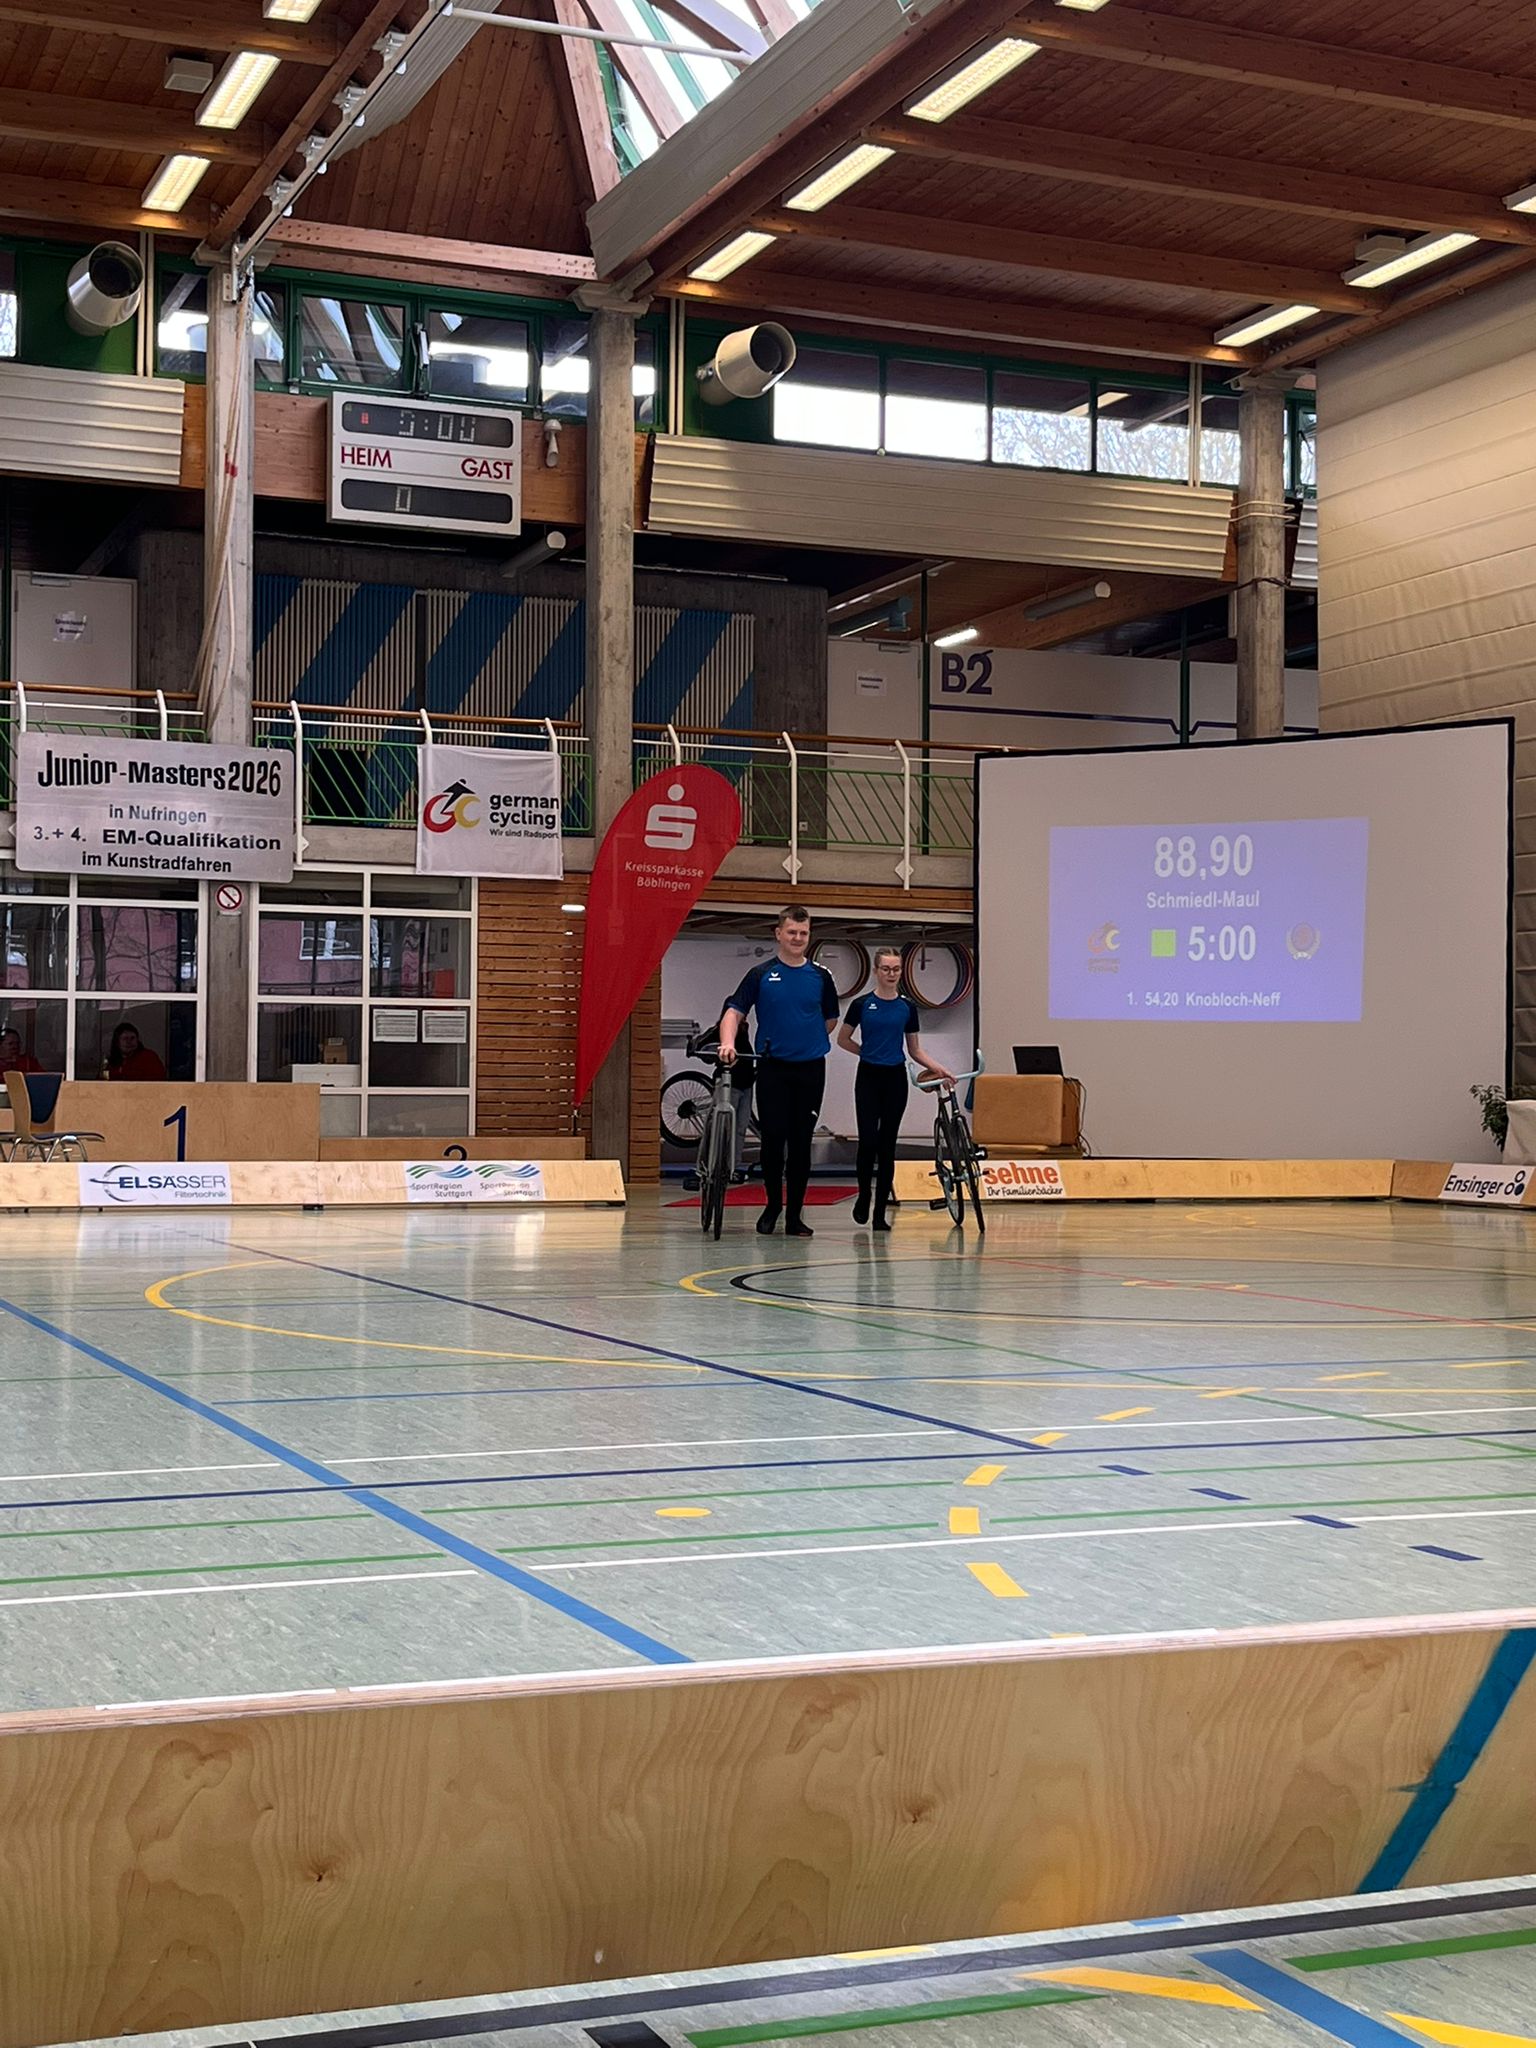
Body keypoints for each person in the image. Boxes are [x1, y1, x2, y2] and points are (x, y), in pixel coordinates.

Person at [721, 905, 839, 1238]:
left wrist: (806, 1039)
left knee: (801, 1142)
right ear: (778, 934)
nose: (798, 938)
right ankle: (773, 1205)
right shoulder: (761, 974)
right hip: (773, 1067)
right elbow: (734, 1012)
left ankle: (795, 1215)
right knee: (773, 1139)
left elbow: (830, 1019)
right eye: (792, 932)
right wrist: (727, 1043)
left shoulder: (821, 977)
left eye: (803, 933)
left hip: (810, 1069)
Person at [837, 948, 954, 1231]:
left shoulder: (907, 1007)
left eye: (896, 969)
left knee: (887, 1144)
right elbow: (843, 1039)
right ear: (876, 971)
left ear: (901, 972)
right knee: (868, 1141)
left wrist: (940, 1069)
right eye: (886, 969)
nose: (891, 974)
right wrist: (866, 1052)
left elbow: (915, 1049)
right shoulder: (862, 1004)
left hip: (895, 1078)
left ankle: (880, 1212)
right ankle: (863, 1195)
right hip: (868, 1076)